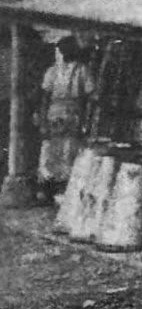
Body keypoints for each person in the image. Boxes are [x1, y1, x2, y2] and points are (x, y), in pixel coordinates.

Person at [36, 36, 95, 201]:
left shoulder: (83, 70)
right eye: (63, 49)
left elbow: (90, 97)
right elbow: (44, 96)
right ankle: (46, 189)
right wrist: (42, 120)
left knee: (70, 150)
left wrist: (87, 120)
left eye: (69, 49)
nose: (66, 52)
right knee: (50, 150)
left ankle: (65, 191)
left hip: (74, 113)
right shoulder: (53, 71)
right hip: (54, 113)